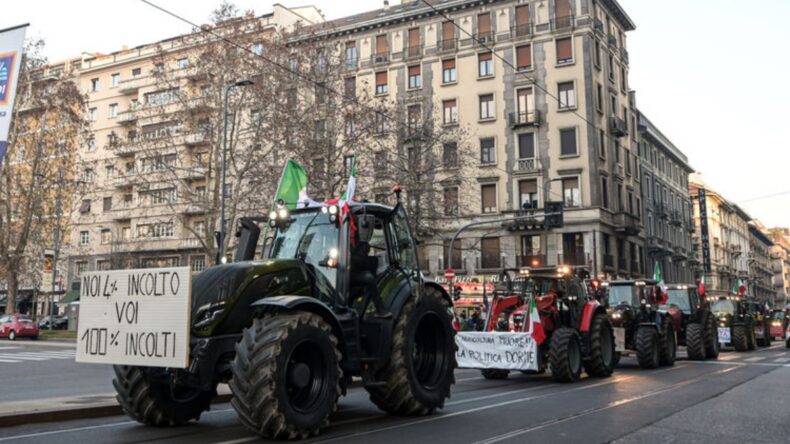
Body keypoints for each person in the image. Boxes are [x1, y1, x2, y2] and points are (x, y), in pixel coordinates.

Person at [349, 219, 391, 319]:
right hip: (341, 272)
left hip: (355, 271)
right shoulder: (339, 238)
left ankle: (380, 309)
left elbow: (362, 261)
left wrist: (352, 258)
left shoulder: (361, 241)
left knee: (369, 278)